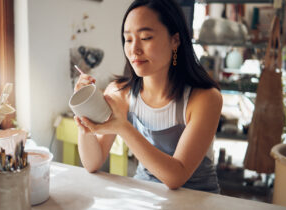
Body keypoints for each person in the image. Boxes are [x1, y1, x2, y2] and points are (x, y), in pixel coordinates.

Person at [74, 0, 222, 193]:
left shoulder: (205, 98)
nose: (134, 49)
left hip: (198, 199)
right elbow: (92, 163)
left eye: (145, 37)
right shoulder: (120, 93)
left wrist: (123, 128)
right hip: (146, 195)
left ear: (175, 40)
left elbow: (176, 176)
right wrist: (84, 110)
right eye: (128, 39)